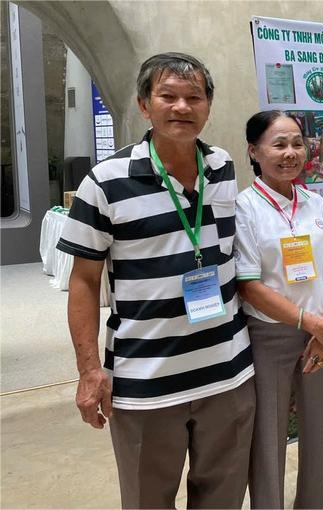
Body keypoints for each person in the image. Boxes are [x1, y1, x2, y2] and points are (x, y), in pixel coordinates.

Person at [57, 52, 255, 509]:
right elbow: (83, 283)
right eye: (168, 96)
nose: (182, 107)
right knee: (148, 500)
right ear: (145, 105)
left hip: (228, 374)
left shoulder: (222, 167)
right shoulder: (104, 182)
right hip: (147, 382)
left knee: (223, 499)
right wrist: (89, 372)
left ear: (208, 106)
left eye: (194, 97)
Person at [234, 110, 323, 509]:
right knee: (268, 440)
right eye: (278, 144)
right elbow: (248, 285)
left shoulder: (317, 205)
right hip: (270, 338)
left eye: (297, 143)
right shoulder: (244, 208)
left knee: (318, 432)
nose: (290, 153)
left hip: (321, 336)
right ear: (254, 150)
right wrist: (310, 321)